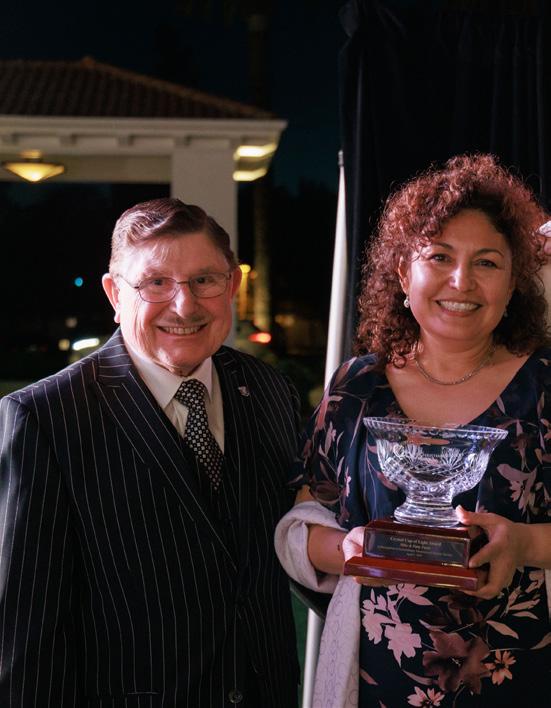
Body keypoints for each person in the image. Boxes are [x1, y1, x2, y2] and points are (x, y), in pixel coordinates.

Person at [0, 198, 301, 707]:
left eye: (204, 280)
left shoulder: (269, 390)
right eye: (156, 283)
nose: (184, 305)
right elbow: (26, 634)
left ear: (232, 286)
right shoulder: (46, 419)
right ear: (115, 294)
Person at [275, 154, 551, 706]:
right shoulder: (357, 386)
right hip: (378, 682)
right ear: (404, 273)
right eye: (439, 256)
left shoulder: (544, 388)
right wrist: (349, 548)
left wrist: (523, 542)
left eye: (487, 262)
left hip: (523, 676)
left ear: (514, 283)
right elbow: (302, 523)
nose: (461, 281)